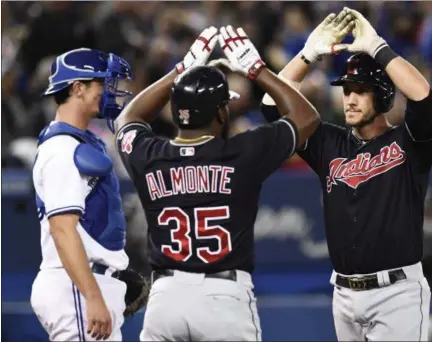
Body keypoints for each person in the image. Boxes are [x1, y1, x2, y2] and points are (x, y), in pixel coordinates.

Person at [113, 21, 335, 340]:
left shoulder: (150, 155)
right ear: (220, 113)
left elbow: (127, 118)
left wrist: (180, 70)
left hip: (166, 296)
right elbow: (308, 117)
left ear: (175, 110)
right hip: (222, 296)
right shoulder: (242, 153)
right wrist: (257, 70)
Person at [261, 7, 432, 341]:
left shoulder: (409, 141)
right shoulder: (329, 142)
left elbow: (423, 95)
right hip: (343, 295)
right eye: (346, 89)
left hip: (398, 294)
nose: (350, 99)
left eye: (360, 90)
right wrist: (307, 55)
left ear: (383, 95)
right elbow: (271, 105)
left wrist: (379, 48)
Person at [31, 48, 132, 341]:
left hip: (84, 281)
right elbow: (62, 230)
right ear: (78, 87)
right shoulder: (62, 149)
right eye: (102, 83)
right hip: (75, 284)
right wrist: (92, 295)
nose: (110, 92)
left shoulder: (79, 140)